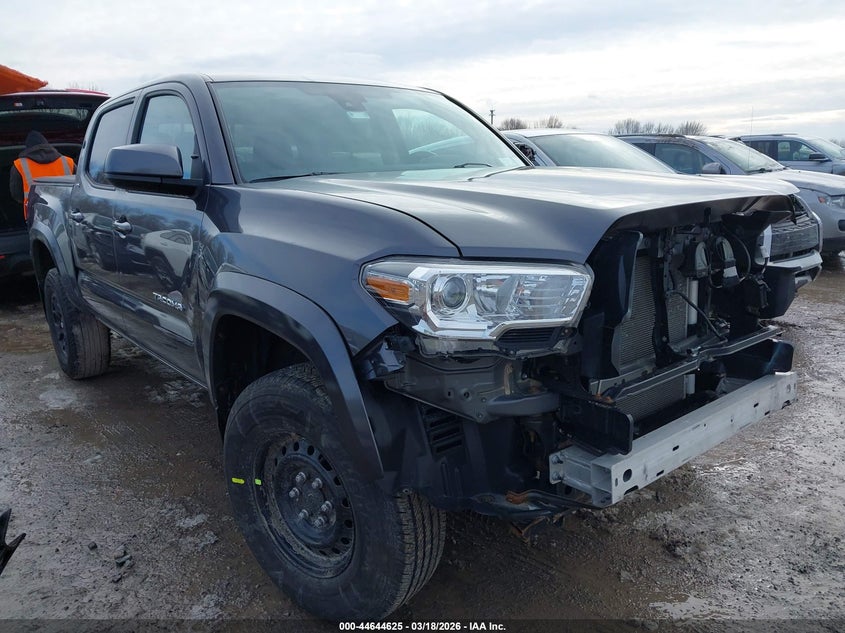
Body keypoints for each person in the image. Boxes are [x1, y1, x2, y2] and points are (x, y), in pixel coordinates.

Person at [10, 130, 75, 218]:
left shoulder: (19, 165)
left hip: (36, 215)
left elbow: (16, 194)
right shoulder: (68, 162)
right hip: (66, 213)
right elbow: (80, 187)